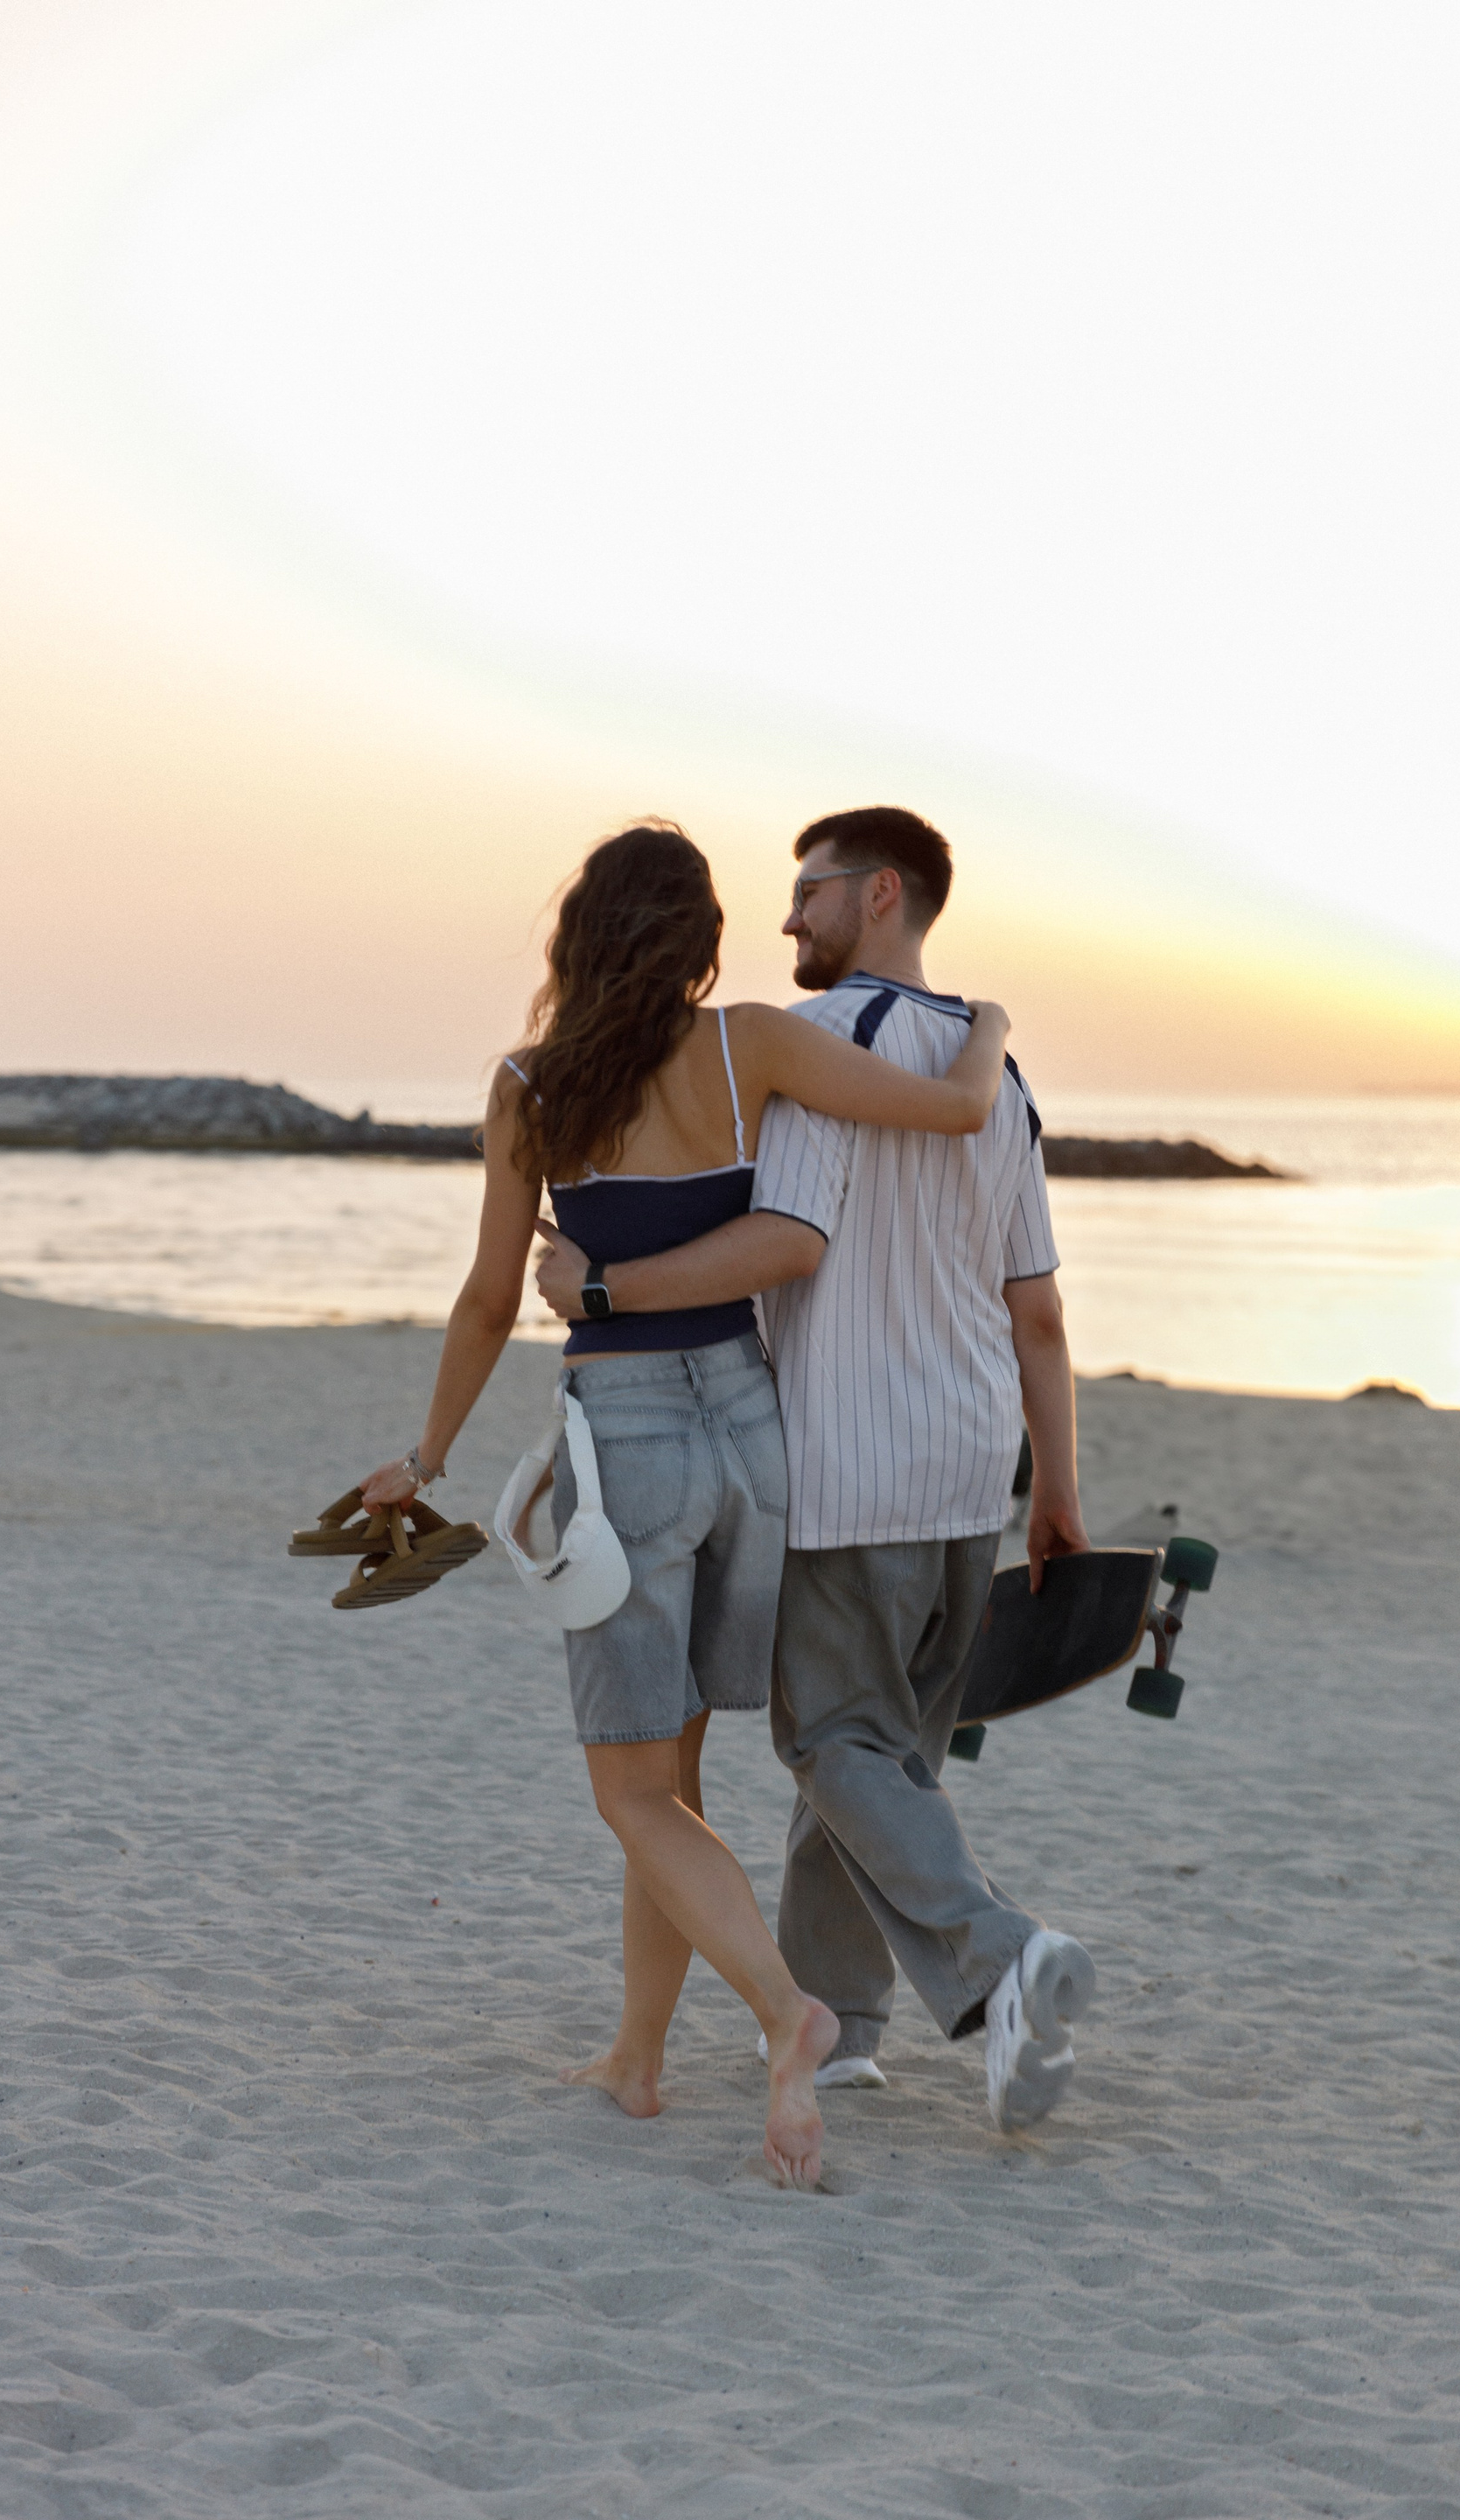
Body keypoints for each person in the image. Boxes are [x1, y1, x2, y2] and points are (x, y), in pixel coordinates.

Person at [360, 821, 1010, 2187]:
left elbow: (491, 1296)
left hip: (635, 1442)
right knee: (675, 1775)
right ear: (698, 939)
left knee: (631, 1790)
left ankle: (787, 2013)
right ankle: (638, 2057)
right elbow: (958, 1110)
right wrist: (990, 1024)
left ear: (579, 938)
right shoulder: (749, 1047)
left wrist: (425, 1458)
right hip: (754, 1435)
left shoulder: (531, 1087)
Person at [536, 807, 1097, 2134]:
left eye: (810, 891)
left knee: (836, 1743)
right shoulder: (998, 1071)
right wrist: (1058, 1491)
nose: (786, 918)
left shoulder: (807, 1054)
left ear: (881, 892)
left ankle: (1001, 1961)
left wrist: (602, 1290)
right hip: (972, 1465)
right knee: (890, 1753)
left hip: (849, 1462)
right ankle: (846, 2030)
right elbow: (1039, 1310)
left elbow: (785, 1237)